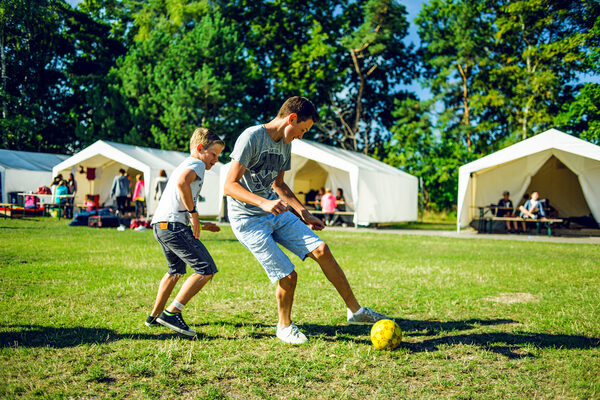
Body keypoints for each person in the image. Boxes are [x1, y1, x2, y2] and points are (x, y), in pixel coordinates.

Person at [223, 96, 389, 345]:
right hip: (249, 220)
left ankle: (355, 312)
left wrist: (303, 212)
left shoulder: (285, 143)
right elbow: (229, 185)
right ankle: (284, 327)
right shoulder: (252, 136)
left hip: (275, 211)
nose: (301, 136)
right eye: (303, 129)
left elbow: (278, 185)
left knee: (321, 249)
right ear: (291, 119)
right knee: (288, 276)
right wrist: (264, 203)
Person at [146, 127, 224, 336]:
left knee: (176, 271)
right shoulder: (197, 163)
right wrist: (194, 214)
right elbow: (183, 184)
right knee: (206, 269)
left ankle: (153, 316)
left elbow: (176, 200)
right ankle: (172, 313)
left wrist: (201, 222)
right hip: (173, 227)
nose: (215, 160)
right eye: (214, 154)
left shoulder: (185, 164)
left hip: (161, 225)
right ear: (200, 149)